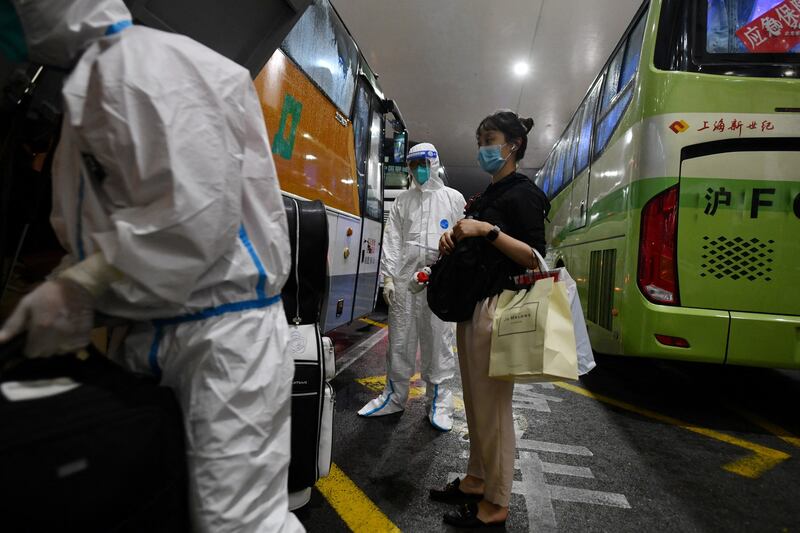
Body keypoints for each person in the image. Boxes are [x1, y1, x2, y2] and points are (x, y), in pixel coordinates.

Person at [0, 1, 304, 531]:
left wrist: (78, 288)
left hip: (222, 340)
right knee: (170, 503)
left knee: (239, 522)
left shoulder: (143, 70)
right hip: (160, 333)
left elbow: (192, 219)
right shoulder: (97, 78)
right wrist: (67, 289)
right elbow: (118, 223)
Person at [430, 111, 549, 528]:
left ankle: (496, 503)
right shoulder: (491, 193)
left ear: (513, 144)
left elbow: (536, 258)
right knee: (478, 404)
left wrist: (488, 231)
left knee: (494, 408)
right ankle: (476, 480)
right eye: (480, 138)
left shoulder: (524, 194)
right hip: (474, 305)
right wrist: (457, 234)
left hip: (500, 307)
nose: (483, 146)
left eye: (490, 139)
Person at [358, 142, 465, 432]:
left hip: (438, 280)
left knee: (438, 340)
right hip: (406, 282)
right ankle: (394, 396)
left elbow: (464, 239)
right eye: (413, 164)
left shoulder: (453, 198)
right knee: (401, 339)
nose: (419, 169)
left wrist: (455, 276)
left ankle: (439, 403)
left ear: (434, 163)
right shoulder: (403, 201)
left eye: (424, 163)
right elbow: (392, 239)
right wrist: (389, 278)